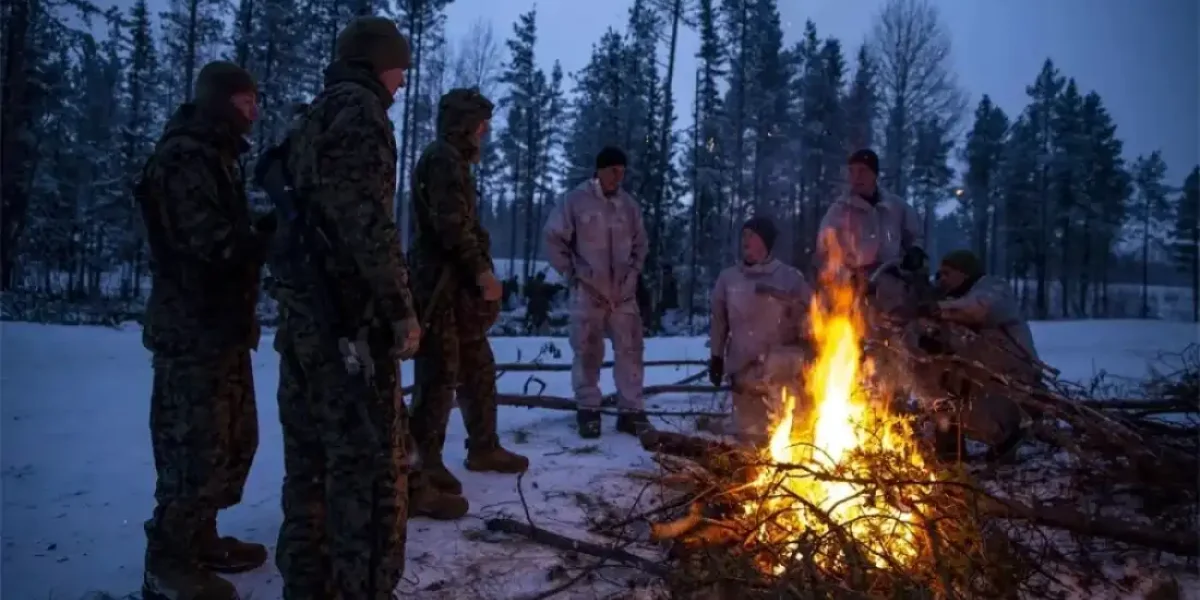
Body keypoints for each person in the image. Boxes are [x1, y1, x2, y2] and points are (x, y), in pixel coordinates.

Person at [265, 16, 428, 599]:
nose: (403, 81)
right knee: (368, 467)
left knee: (308, 465)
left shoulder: (313, 117)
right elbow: (367, 224)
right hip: (351, 328)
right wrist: (399, 308)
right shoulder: (362, 115)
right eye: (400, 69)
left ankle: (307, 585)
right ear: (378, 63)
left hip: (307, 325)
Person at [135, 60, 271, 599]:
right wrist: (269, 235)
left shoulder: (217, 156)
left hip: (222, 329)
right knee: (192, 449)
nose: (253, 109)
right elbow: (208, 245)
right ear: (219, 101)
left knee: (231, 443)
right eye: (244, 100)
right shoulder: (184, 158)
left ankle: (201, 538)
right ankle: (168, 561)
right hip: (191, 332)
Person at [408, 87, 530, 502]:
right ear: (464, 124)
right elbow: (450, 225)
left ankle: (483, 446)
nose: (485, 131)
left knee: (477, 365)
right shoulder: (442, 159)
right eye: (480, 123)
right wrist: (480, 271)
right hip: (440, 287)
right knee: (439, 374)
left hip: (457, 289)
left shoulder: (454, 161)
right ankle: (423, 462)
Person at [544, 146, 651, 439]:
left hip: (624, 294)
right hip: (589, 291)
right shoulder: (575, 201)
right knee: (588, 351)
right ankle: (588, 409)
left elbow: (641, 243)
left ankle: (631, 411)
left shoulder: (629, 206)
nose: (619, 177)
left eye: (623, 172)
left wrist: (633, 273)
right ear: (600, 170)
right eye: (614, 170)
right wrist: (574, 272)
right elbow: (553, 239)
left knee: (630, 351)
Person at [913, 250, 1040, 462]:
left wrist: (936, 308)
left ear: (964, 274)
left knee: (982, 410)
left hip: (1014, 379)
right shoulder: (952, 299)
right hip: (981, 374)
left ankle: (1007, 435)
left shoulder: (993, 289)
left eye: (947, 273)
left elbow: (978, 310)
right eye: (939, 275)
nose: (942, 279)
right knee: (935, 379)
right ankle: (951, 446)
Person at [709, 217, 814, 448]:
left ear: (765, 242)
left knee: (790, 438)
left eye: (752, 235)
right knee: (751, 442)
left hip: (783, 377)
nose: (745, 240)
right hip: (743, 375)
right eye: (743, 235)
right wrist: (716, 357)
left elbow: (814, 322)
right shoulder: (729, 279)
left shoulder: (790, 278)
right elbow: (719, 321)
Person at [817, 149, 926, 288]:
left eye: (862, 171)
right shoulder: (838, 211)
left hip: (892, 281)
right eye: (852, 171)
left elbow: (916, 235)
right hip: (852, 284)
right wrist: (844, 275)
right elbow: (825, 250)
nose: (856, 177)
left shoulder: (896, 207)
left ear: (875, 174)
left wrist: (915, 251)